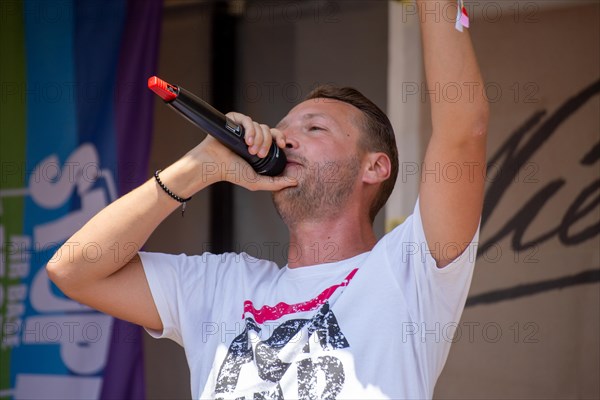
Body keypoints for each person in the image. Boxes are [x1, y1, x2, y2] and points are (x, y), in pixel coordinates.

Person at [47, 1, 488, 398]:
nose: (286, 139)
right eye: (283, 130)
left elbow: (463, 131)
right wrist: (200, 165)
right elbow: (73, 270)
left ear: (374, 167)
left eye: (314, 128)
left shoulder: (407, 269)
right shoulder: (223, 286)